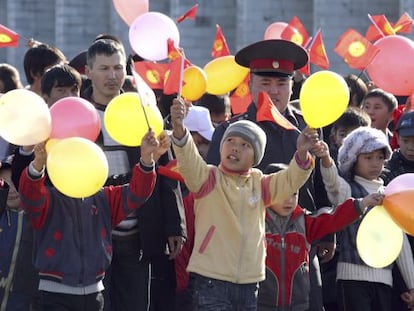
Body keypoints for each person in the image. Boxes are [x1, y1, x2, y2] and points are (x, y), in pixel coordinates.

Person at [205, 39, 331, 310]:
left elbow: (319, 188)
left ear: (292, 86)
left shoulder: (307, 129)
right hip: (247, 255)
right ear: (250, 84)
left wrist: (326, 233)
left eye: (282, 84)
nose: (274, 92)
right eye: (265, 83)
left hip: (300, 250)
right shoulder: (230, 132)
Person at [170, 95, 320, 309]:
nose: (235, 148)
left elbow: (290, 180)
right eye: (230, 141)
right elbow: (188, 159)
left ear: (256, 156)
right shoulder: (208, 178)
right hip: (212, 281)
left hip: (250, 283)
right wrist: (179, 129)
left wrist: (302, 152)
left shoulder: (260, 183)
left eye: (245, 144)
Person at [83, 37, 184, 311]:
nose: (112, 76)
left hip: (137, 232)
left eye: (118, 68)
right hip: (90, 232)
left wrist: (175, 225)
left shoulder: (141, 111)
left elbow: (167, 169)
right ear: (88, 72)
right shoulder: (77, 114)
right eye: (103, 69)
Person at [17, 130, 158, 311]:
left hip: (94, 292)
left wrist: (146, 158)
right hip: (53, 294)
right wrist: (38, 163)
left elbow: (137, 193)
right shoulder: (48, 199)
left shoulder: (104, 197)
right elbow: (29, 193)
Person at [257, 162, 384, 311]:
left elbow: (334, 219)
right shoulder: (255, 222)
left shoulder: (304, 222)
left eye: (294, 193)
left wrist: (363, 203)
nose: (289, 200)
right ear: (267, 192)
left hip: (298, 305)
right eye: (283, 193)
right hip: (261, 304)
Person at [318, 126, 414, 311]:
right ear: (353, 160)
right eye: (368, 158)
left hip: (384, 281)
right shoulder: (348, 190)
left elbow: (400, 245)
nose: (375, 163)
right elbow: (332, 183)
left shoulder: (390, 195)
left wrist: (412, 285)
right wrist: (325, 159)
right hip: (352, 279)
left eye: (380, 157)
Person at [381, 110, 414, 311]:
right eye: (406, 140)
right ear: (397, 138)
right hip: (394, 257)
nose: (411, 147)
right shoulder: (385, 171)